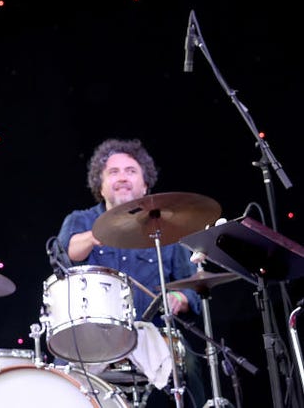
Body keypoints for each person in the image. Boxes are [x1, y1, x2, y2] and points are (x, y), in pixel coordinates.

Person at [55, 137, 207, 408]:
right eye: (113, 172)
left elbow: (192, 286)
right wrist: (98, 234)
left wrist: (180, 299)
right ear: (100, 187)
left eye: (130, 171)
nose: (122, 177)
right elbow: (66, 254)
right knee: (59, 378)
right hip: (91, 336)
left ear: (145, 184)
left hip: (152, 334)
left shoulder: (167, 227)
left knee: (190, 368)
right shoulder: (80, 220)